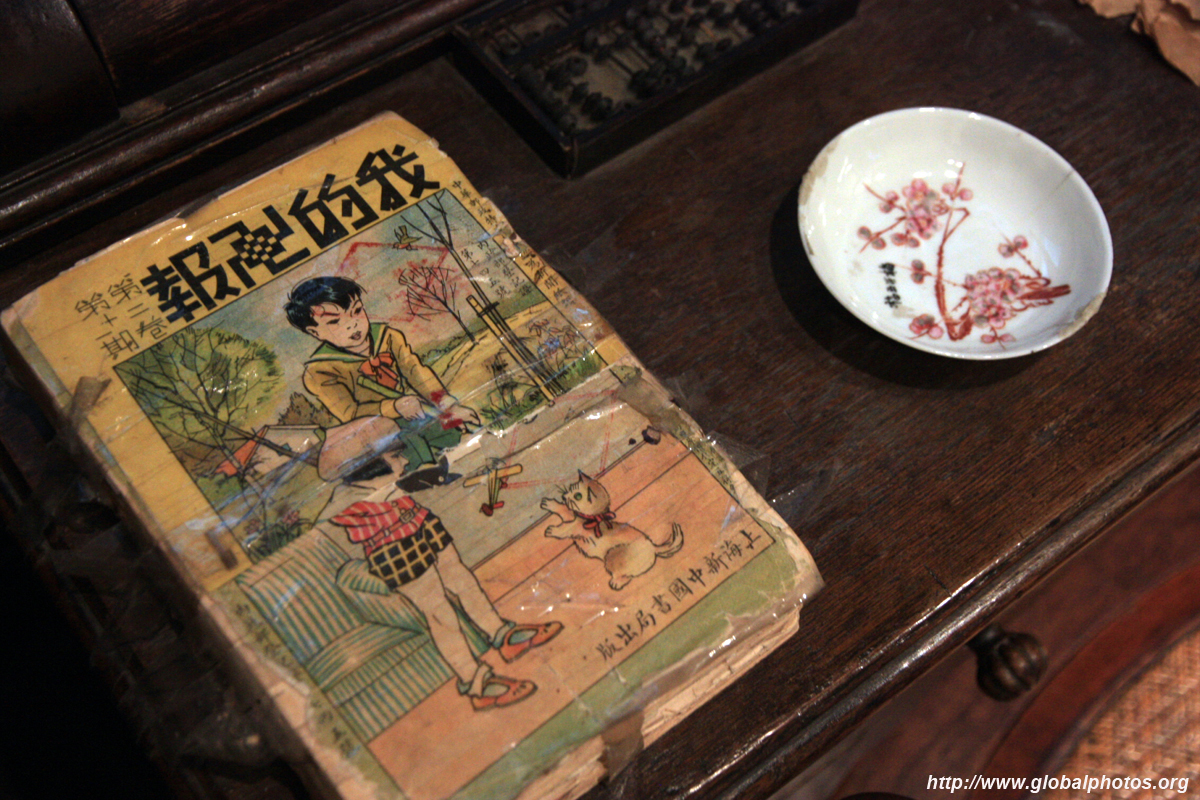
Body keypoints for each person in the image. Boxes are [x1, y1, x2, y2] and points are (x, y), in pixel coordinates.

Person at [315, 416, 561, 710]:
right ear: (370, 466)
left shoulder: (395, 484)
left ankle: (502, 635)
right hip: (393, 550)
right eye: (394, 456)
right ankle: (476, 682)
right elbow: (325, 521)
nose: (404, 459)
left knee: (462, 580)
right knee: (439, 612)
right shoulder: (347, 499)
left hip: (423, 524)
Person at [284, 276, 480, 481]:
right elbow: (350, 413)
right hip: (378, 433)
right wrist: (394, 407)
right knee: (414, 449)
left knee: (452, 433)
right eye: (334, 322)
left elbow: (417, 371)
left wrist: (446, 403)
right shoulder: (320, 371)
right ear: (315, 332)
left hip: (417, 413)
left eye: (357, 311)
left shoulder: (388, 336)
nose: (352, 324)